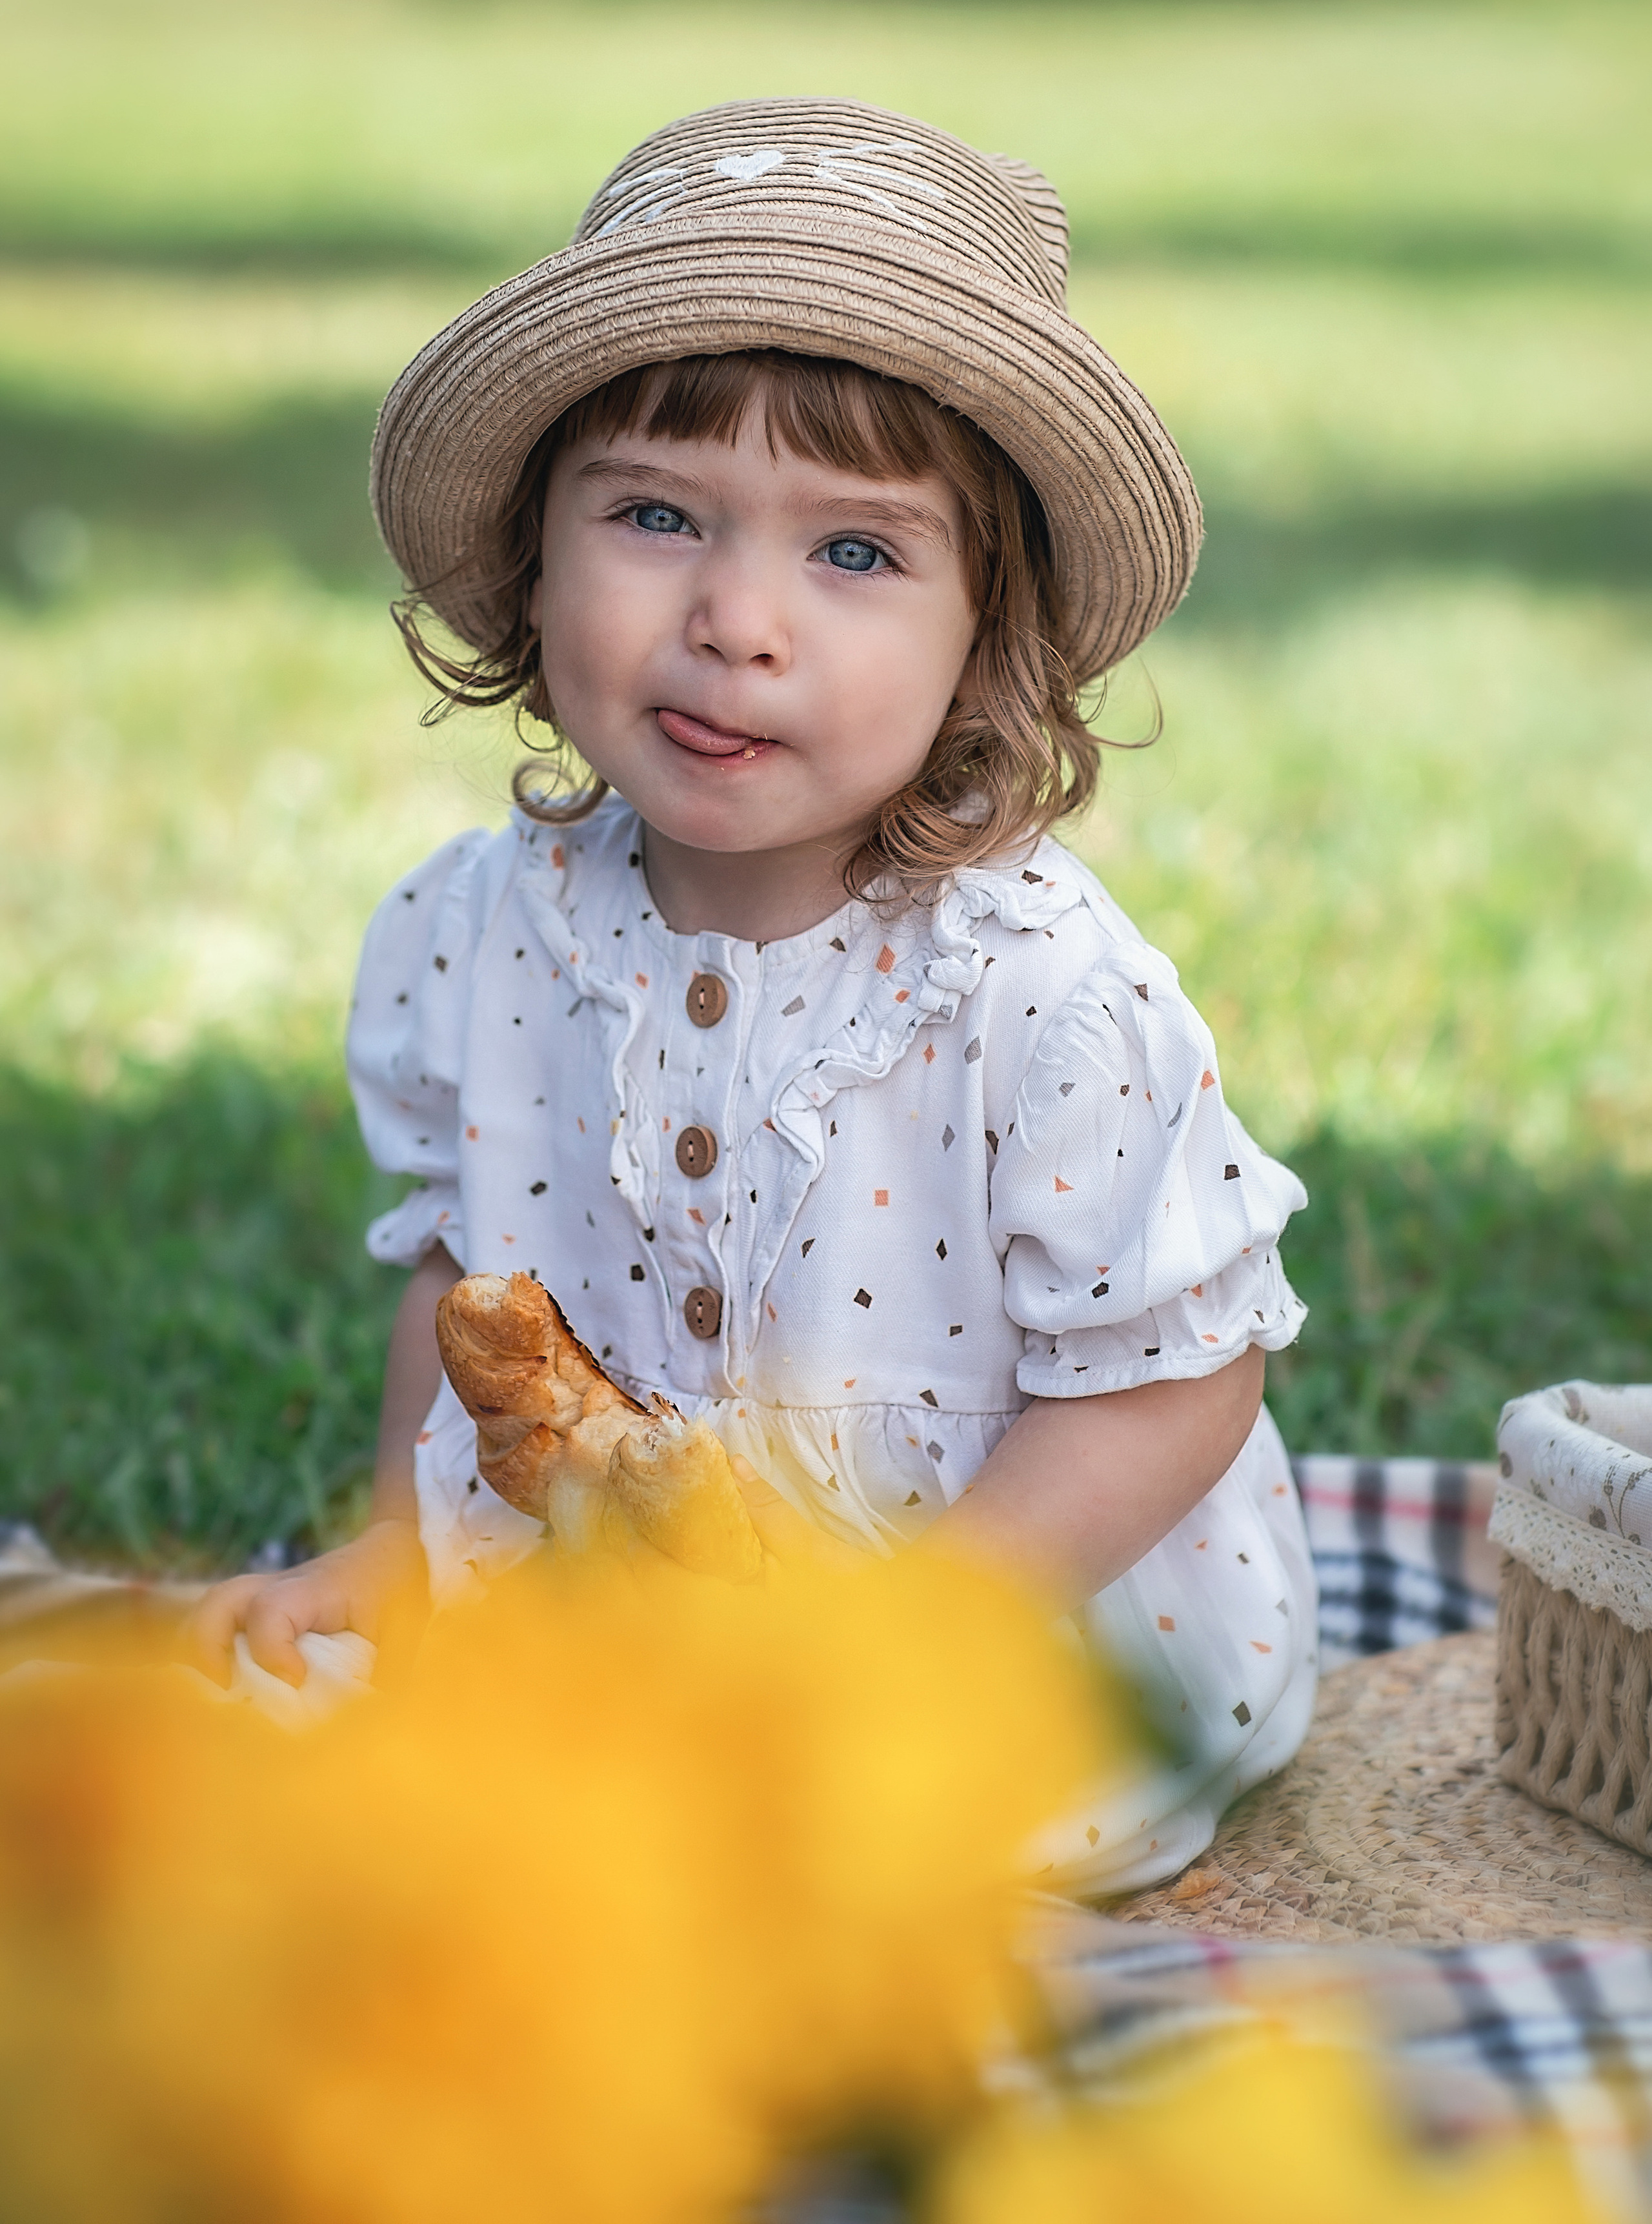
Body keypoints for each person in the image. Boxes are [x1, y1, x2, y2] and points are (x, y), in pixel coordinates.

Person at [193, 97, 1317, 1893]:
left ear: (983, 646)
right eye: (655, 513)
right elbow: (466, 1292)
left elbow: (1179, 1382)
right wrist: (406, 1544)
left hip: (992, 1602)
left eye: (854, 552)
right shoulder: (477, 932)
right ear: (532, 564)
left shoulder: (1039, 992)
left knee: (835, 1841)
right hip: (622, 1585)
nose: (738, 618)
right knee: (294, 1750)